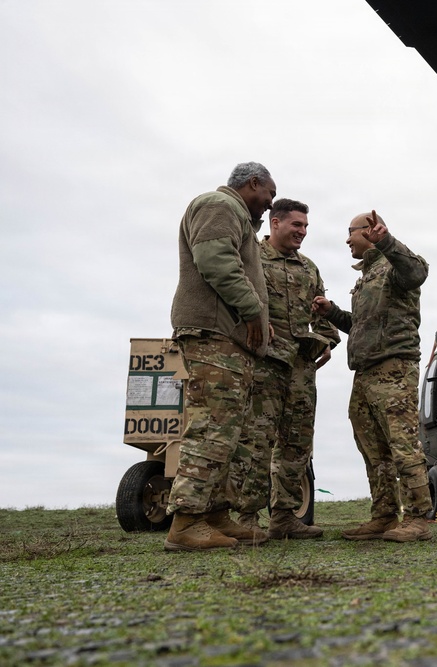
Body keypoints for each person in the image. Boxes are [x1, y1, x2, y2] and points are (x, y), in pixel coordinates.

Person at [164, 161, 276, 551]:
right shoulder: (219, 205)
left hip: (227, 336)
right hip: (214, 332)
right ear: (253, 183)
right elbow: (215, 261)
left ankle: (213, 514)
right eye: (269, 195)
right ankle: (187, 520)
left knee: (228, 428)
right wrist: (252, 309)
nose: (269, 204)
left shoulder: (237, 216)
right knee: (214, 424)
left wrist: (259, 318)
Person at [312, 210, 433, 542]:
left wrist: (388, 242)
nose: (347, 239)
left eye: (350, 232)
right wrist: (332, 312)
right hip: (364, 374)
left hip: (393, 370)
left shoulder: (394, 268)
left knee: (403, 446)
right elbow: (361, 327)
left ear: (369, 232)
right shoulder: (366, 277)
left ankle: (418, 519)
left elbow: (417, 272)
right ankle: (384, 516)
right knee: (373, 450)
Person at [229, 198, 341, 540]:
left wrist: (326, 341)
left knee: (297, 444)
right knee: (256, 442)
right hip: (264, 365)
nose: (302, 232)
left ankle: (284, 516)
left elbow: (321, 314)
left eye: (306, 227)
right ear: (275, 223)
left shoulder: (309, 268)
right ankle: (246, 516)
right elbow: (234, 300)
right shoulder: (253, 259)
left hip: (302, 371)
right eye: (297, 225)